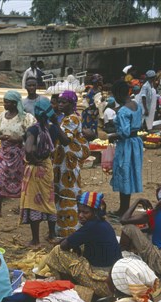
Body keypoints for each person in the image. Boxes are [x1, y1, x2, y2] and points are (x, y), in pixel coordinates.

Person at [43, 192, 121, 297]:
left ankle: (67, 285)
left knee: (57, 252)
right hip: (115, 279)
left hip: (105, 283)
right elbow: (75, 239)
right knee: (79, 245)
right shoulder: (102, 223)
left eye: (85, 212)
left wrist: (64, 241)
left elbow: (63, 246)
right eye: (79, 211)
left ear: (95, 212)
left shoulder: (91, 226)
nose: (80, 215)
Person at [21, 98, 60, 249]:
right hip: (47, 167)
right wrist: (55, 122)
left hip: (36, 168)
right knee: (49, 201)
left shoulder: (33, 129)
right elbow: (65, 141)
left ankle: (35, 240)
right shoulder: (53, 129)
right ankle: (52, 235)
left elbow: (29, 149)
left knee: (34, 202)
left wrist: (34, 159)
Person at [53, 90, 89, 238]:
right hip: (63, 163)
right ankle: (64, 228)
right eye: (59, 102)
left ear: (72, 104)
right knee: (62, 194)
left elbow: (66, 140)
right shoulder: (66, 118)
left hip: (68, 165)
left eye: (64, 102)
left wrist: (54, 123)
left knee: (68, 194)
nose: (60, 105)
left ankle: (69, 231)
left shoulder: (72, 119)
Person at [0, 90, 35, 217]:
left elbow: (31, 134)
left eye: (7, 102)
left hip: (19, 153)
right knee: (1, 178)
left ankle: (21, 206)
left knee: (21, 179)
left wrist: (18, 139)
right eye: (4, 102)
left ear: (15, 103)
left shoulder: (25, 118)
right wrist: (1, 136)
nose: (5, 104)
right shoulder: (1, 117)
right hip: (4, 153)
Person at [108, 80, 144, 217]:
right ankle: (124, 208)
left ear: (117, 94)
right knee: (128, 174)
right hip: (135, 143)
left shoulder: (123, 111)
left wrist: (112, 135)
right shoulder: (136, 105)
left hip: (126, 145)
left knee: (124, 173)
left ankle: (123, 210)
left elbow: (124, 132)